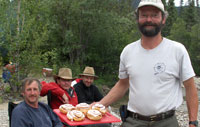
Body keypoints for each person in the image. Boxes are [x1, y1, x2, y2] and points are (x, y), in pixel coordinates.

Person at [98, 0, 199, 127]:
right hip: (133, 121)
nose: (149, 19)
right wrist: (98, 106)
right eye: (144, 15)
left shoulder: (177, 50)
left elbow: (190, 88)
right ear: (138, 19)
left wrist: (193, 122)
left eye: (154, 15)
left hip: (167, 122)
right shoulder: (128, 51)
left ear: (163, 19)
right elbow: (122, 84)